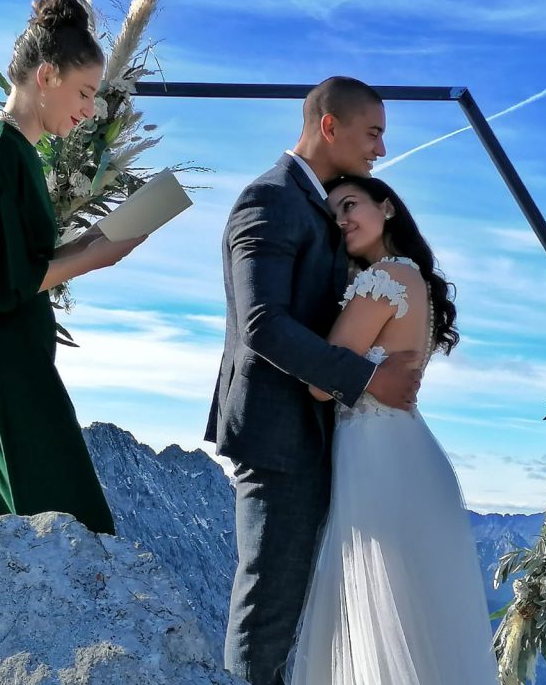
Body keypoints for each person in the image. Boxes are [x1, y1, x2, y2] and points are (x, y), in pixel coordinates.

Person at [205, 77, 423, 685]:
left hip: (317, 435)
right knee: (268, 613)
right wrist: (367, 380)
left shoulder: (318, 206)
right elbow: (261, 323)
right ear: (330, 126)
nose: (380, 149)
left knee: (296, 613)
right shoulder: (269, 199)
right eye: (373, 132)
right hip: (278, 437)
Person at [0, 0, 145, 570]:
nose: (90, 111)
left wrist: (94, 242)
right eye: (84, 93)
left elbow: (13, 265)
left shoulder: (11, 151)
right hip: (5, 368)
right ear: (46, 76)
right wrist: (95, 258)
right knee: (71, 536)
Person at [286, 175, 498, 684]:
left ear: (387, 208)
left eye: (351, 205)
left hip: (377, 456)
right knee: (406, 612)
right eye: (333, 214)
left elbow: (322, 380)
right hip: (399, 450)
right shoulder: (411, 278)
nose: (342, 221)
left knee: (376, 605)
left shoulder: (385, 277)